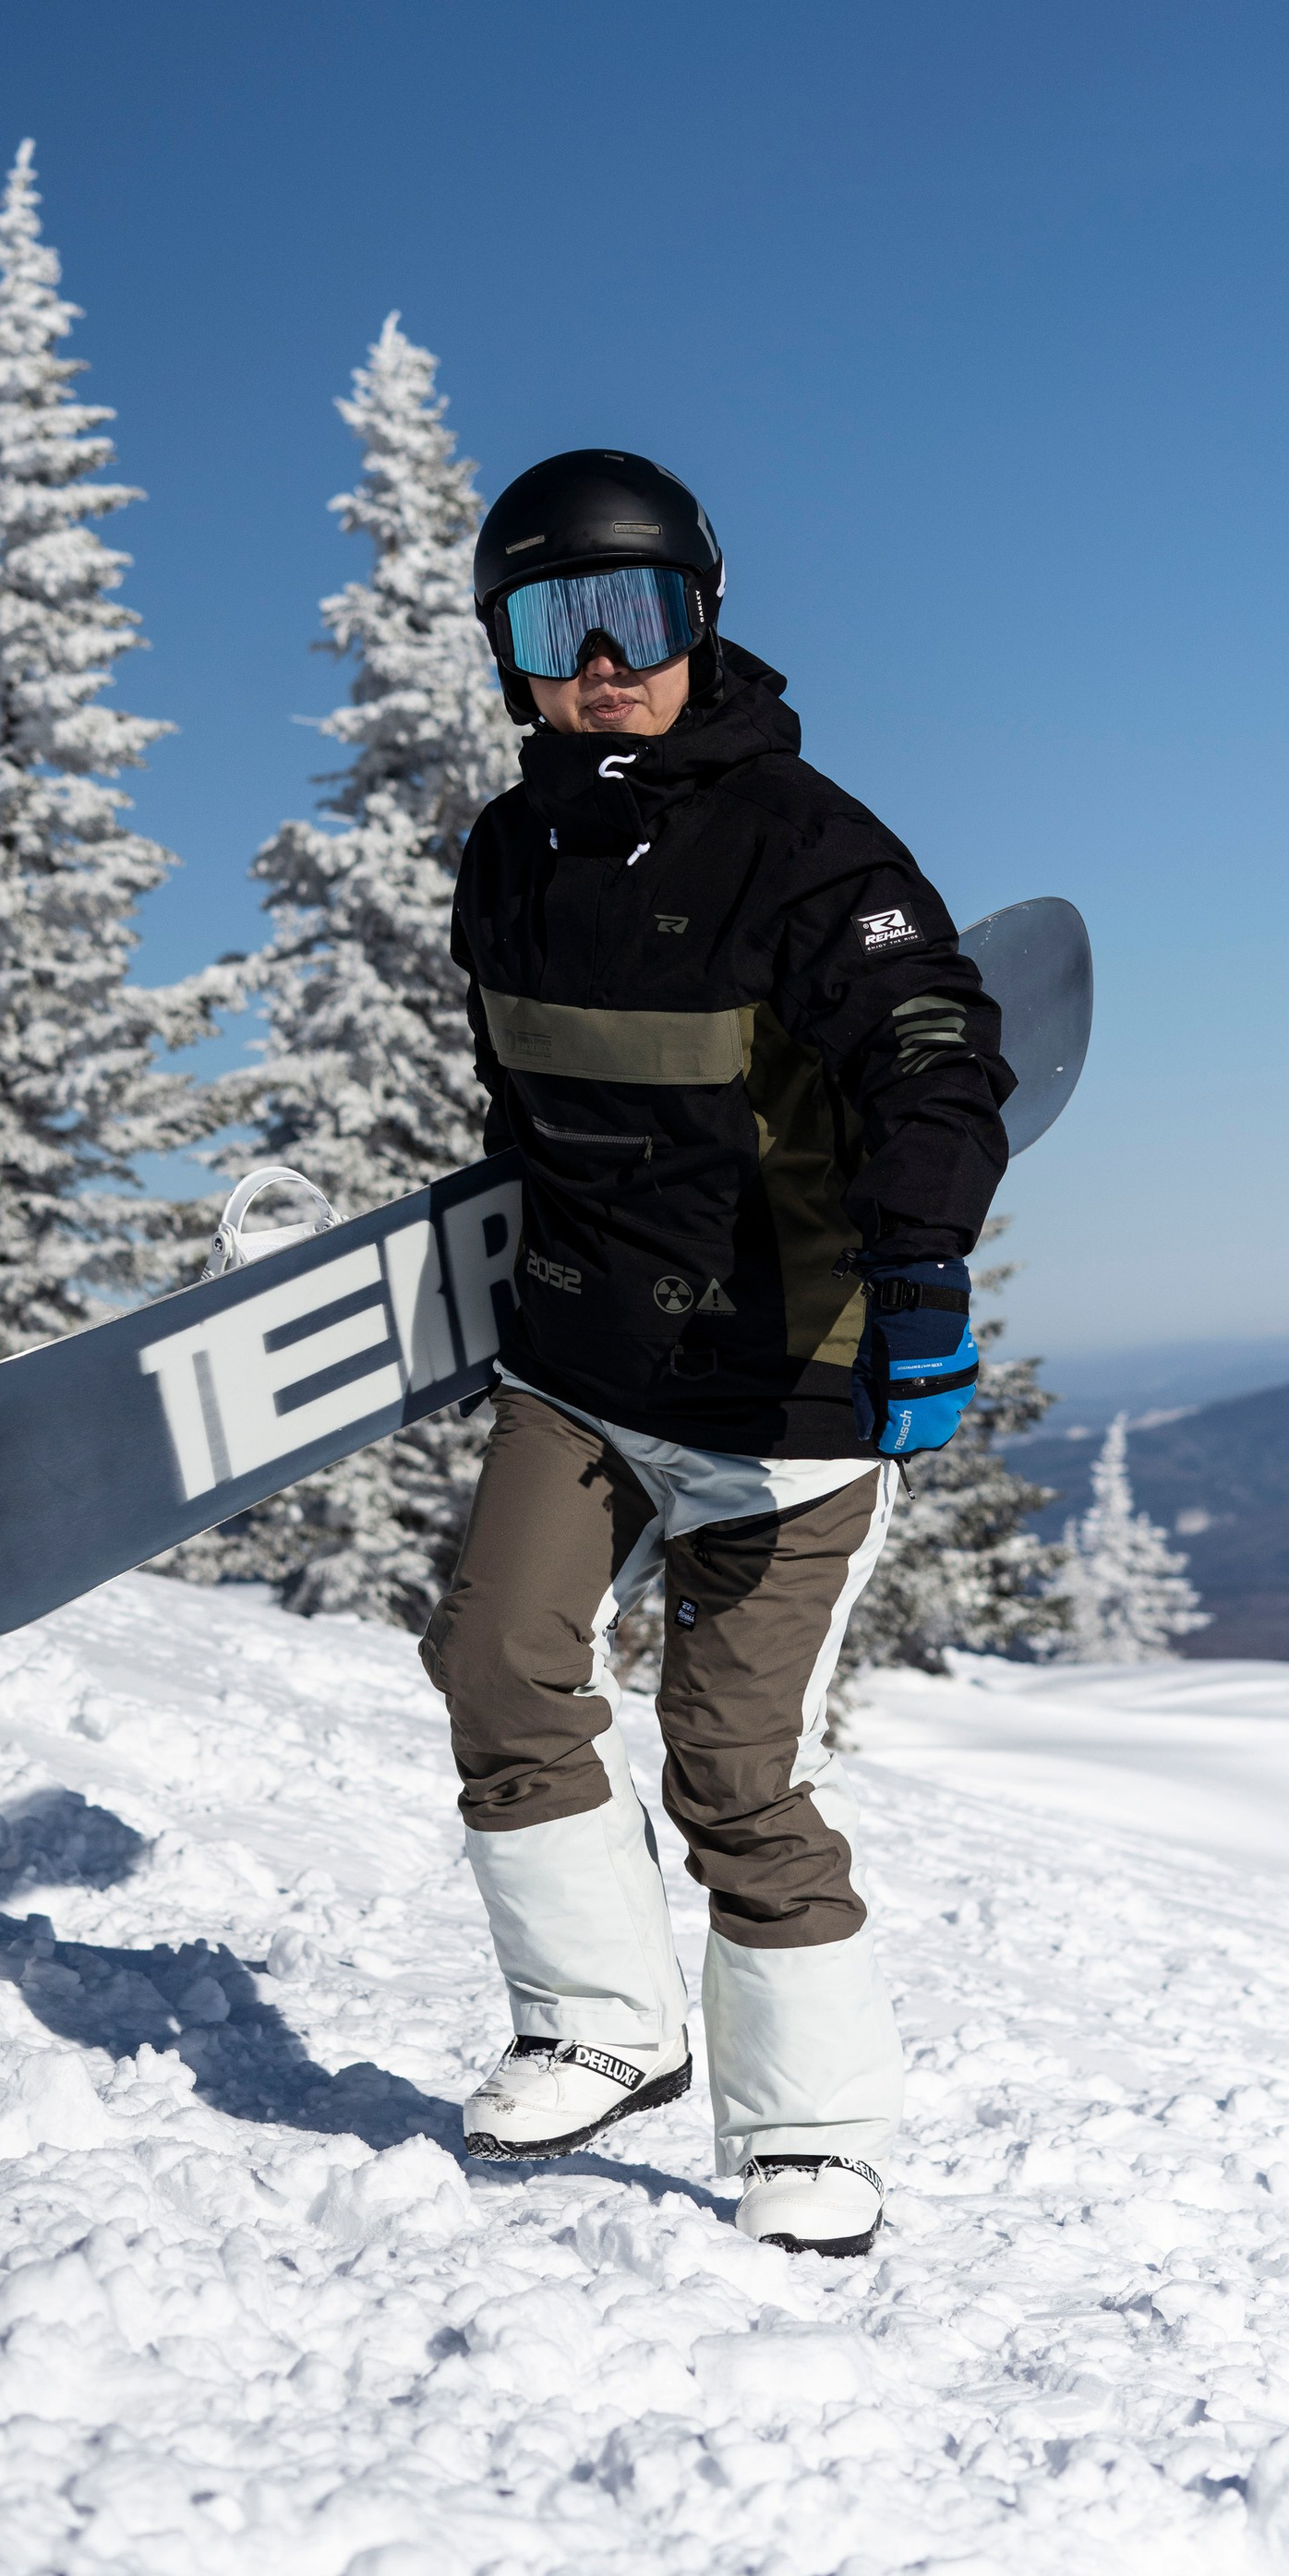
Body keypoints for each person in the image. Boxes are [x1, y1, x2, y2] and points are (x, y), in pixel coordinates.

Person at [419, 449, 1012, 2257]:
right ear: (507, 652)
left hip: (785, 1393)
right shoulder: (509, 853)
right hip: (582, 1365)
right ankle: (599, 2022)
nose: (604, 661)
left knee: (729, 1771)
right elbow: (530, 1108)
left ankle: (813, 2132)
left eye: (640, 614)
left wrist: (916, 1279)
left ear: (704, 612)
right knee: (495, 1671)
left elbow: (935, 1055)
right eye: (555, 623)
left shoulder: (809, 844)